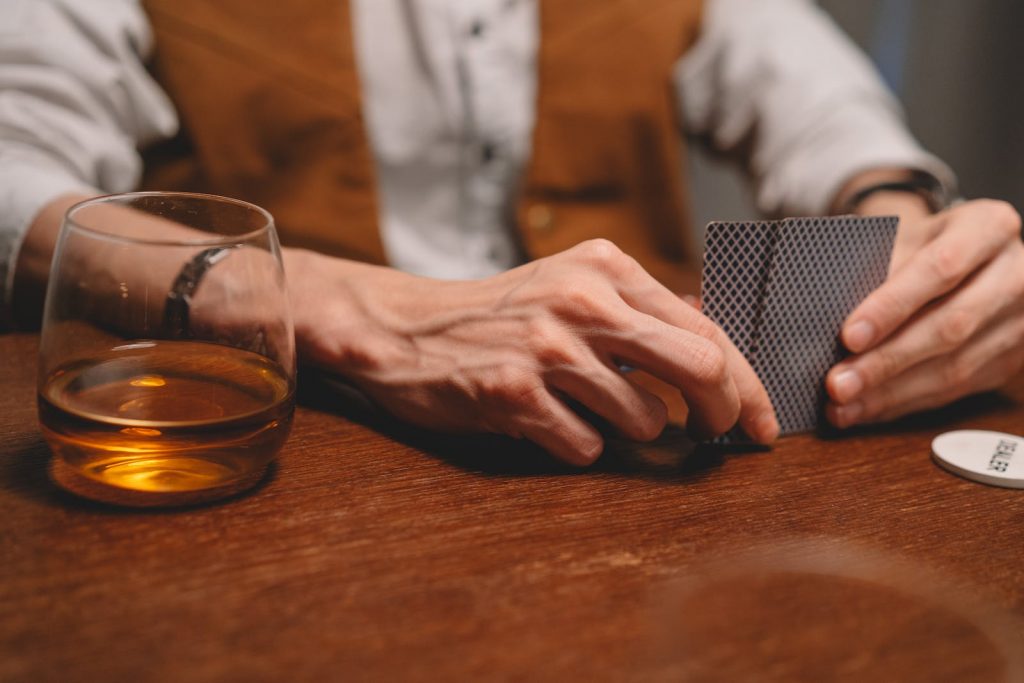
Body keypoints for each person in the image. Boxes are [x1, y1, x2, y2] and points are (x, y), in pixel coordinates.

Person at [1, 0, 1022, 465]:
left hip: (645, 463)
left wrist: (906, 231)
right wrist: (347, 306)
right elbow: (14, 176)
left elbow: (817, 104)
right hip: (309, 451)